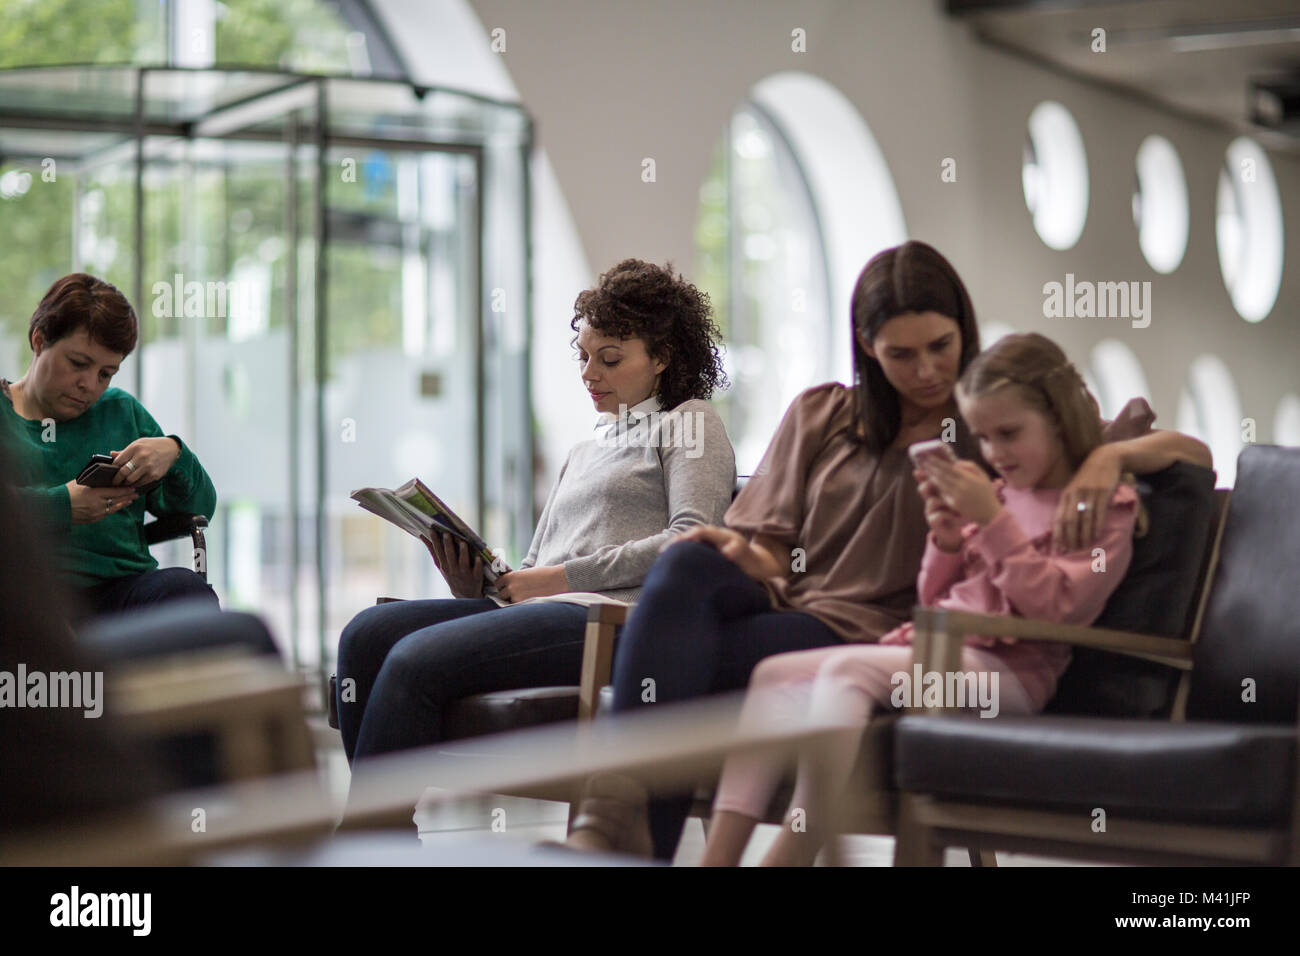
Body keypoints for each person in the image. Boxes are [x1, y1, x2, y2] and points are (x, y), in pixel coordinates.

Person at [563, 241, 1211, 861]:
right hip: (793, 611)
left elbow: (1191, 454)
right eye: (902, 354)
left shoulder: (996, 423)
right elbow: (771, 556)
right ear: (868, 347)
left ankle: (622, 836)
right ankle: (620, 825)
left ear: (964, 332)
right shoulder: (823, 414)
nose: (927, 371)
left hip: (887, 637)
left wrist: (1108, 457)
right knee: (688, 565)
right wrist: (733, 550)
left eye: (941, 347)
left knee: (678, 660)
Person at [701, 332, 1149, 865]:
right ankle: (717, 861)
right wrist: (947, 540)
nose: (994, 454)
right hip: (939, 654)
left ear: (1057, 417)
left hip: (1011, 676)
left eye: (1009, 433)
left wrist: (991, 521)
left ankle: (792, 854)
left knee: (846, 671)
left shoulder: (1100, 506)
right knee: (775, 674)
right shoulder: (1003, 494)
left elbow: (1056, 609)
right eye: (983, 438)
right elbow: (934, 600)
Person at [336, 258, 736, 764]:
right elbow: (533, 570)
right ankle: (386, 835)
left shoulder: (690, 422)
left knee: (413, 659)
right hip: (548, 610)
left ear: (663, 357)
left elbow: (690, 542)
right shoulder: (586, 450)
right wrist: (478, 584)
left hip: (610, 621)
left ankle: (367, 836)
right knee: (366, 635)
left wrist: (557, 580)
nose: (590, 374)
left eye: (610, 359)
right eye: (585, 358)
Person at [0, 273, 217, 622]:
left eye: (106, 373)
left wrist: (174, 455)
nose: (88, 385)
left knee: (187, 592)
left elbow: (200, 509)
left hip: (121, 594)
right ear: (39, 341)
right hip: (28, 601)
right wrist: (63, 506)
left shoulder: (121, 412)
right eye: (78, 364)